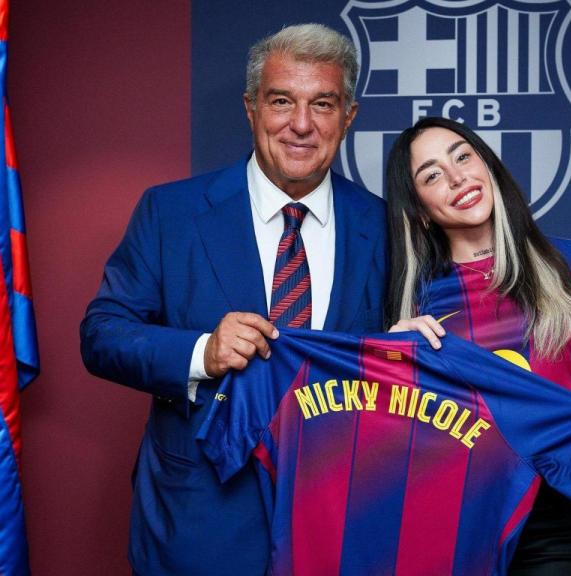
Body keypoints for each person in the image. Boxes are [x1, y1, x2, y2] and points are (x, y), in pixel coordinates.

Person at [80, 24, 386, 575]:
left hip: (343, 523)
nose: (301, 124)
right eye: (281, 101)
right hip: (199, 523)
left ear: (349, 116)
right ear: (250, 108)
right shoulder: (170, 212)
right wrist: (202, 352)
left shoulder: (388, 228)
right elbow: (102, 334)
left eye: (322, 103)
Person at [384, 116, 571, 574]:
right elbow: (376, 421)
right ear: (420, 211)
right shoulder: (411, 294)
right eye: (431, 175)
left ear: (487, 164)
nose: (457, 177)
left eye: (463, 156)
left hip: (546, 514)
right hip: (443, 514)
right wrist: (387, 356)